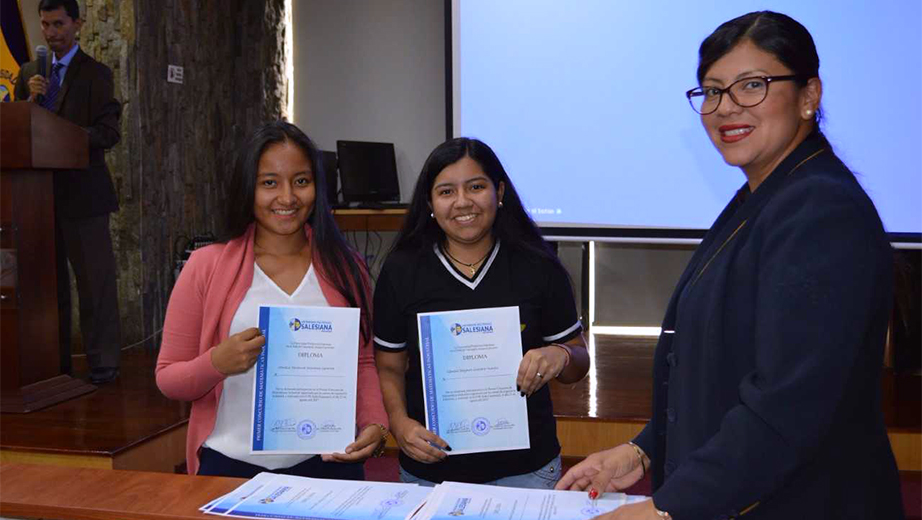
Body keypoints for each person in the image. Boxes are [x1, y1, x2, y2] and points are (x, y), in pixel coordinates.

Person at [556, 11, 905, 519]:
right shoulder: (766, 196)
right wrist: (643, 449)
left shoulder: (821, 210)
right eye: (712, 91)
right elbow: (724, 370)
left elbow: (788, 405)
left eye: (752, 85)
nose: (726, 107)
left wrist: (664, 510)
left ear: (809, 96)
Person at [156, 121, 389, 478]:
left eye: (301, 181)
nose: (287, 198)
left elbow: (363, 362)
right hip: (229, 467)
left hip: (329, 463)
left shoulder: (347, 266)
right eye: (269, 182)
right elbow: (168, 378)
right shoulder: (206, 266)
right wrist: (216, 362)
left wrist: (374, 422)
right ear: (246, 188)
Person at [374, 137, 590, 488]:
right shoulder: (402, 270)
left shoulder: (538, 266)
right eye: (446, 192)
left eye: (476, 187)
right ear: (429, 202)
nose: (462, 202)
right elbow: (389, 365)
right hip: (430, 471)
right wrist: (399, 423)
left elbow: (578, 362)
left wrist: (561, 355)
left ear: (499, 192)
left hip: (527, 470)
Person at [14, 0, 122, 384]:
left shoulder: (96, 74)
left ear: (77, 23)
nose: (51, 32)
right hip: (38, 200)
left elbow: (108, 133)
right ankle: (55, 363)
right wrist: (30, 101)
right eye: (45, 24)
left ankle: (103, 364)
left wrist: (67, 137)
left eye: (58, 23)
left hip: (84, 196)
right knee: (48, 286)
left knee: (94, 284)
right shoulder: (30, 73)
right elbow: (16, 129)